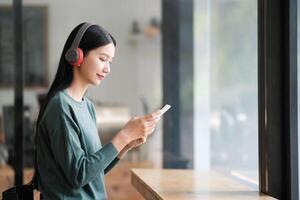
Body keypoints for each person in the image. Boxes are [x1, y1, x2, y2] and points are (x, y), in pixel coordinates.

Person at [35, 22, 161, 200]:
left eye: (110, 61)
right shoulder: (61, 106)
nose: (107, 69)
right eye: (102, 59)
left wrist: (125, 147)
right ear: (77, 56)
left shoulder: (87, 106)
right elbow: (78, 175)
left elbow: (92, 172)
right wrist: (123, 135)